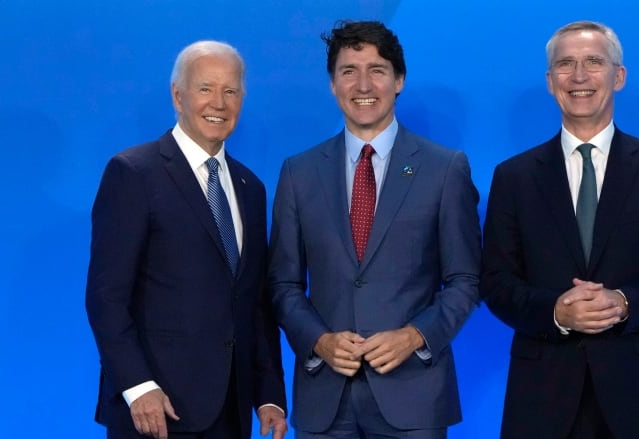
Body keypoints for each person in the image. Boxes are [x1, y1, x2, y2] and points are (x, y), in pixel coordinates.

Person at [481, 21, 639, 439]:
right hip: (541, 399)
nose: (579, 77)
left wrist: (622, 302)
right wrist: (556, 313)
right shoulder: (513, 177)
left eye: (593, 63)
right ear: (551, 82)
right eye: (565, 64)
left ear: (618, 76)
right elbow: (495, 283)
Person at [268, 20, 481, 439]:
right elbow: (283, 284)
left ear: (398, 80)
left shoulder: (444, 168)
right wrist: (319, 341)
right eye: (349, 71)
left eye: (377, 70)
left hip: (414, 396)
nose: (363, 84)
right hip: (324, 400)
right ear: (332, 84)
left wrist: (415, 335)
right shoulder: (298, 173)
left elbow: (466, 280)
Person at [86, 40, 287, 439]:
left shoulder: (251, 187)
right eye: (206, 89)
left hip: (230, 411)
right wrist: (137, 386)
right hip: (156, 410)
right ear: (178, 96)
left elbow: (254, 302)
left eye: (231, 91)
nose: (219, 103)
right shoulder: (133, 173)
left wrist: (269, 394)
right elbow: (106, 296)